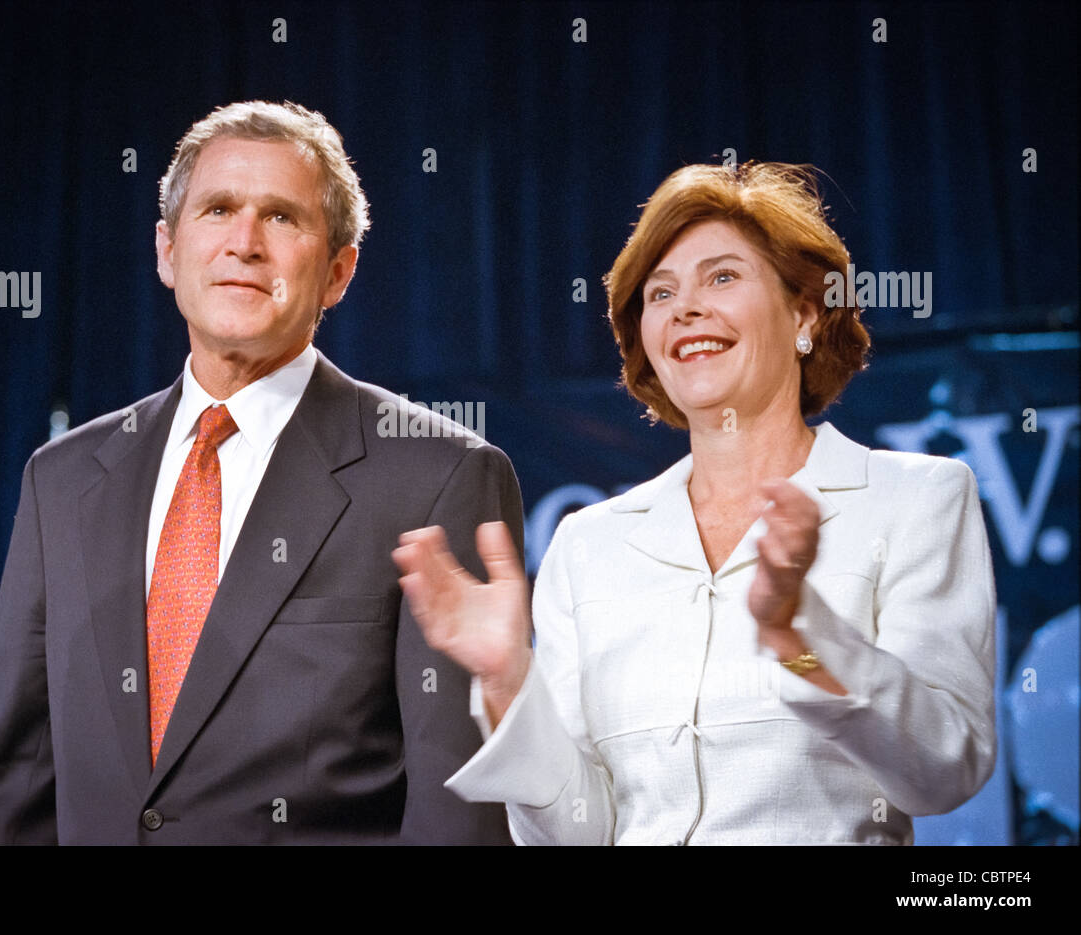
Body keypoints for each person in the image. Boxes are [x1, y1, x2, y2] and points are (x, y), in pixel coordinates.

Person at [0, 101, 521, 844]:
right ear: (167, 250)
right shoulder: (61, 479)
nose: (244, 243)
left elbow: (456, 816)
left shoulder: (438, 475)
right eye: (218, 209)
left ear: (338, 271)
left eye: (282, 218)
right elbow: (11, 787)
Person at [393, 162, 997, 845]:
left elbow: (944, 770)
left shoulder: (915, 499)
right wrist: (507, 679)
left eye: (723, 277)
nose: (685, 308)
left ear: (803, 312)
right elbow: (575, 834)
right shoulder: (589, 543)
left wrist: (798, 638)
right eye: (660, 292)